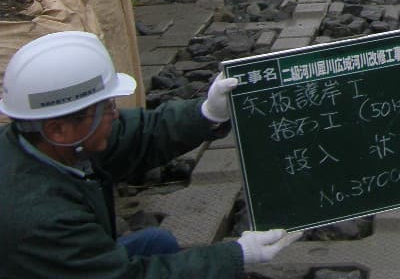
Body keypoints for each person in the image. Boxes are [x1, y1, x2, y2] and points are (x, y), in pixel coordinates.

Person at [0, 30, 299, 277]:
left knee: (156, 241)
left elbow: (141, 133)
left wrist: (207, 113)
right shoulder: (40, 219)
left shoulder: (45, 143)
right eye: (106, 108)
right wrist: (236, 256)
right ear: (58, 129)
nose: (115, 115)